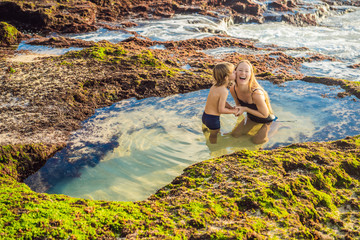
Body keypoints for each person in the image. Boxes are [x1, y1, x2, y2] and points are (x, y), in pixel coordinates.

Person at [229, 60, 276, 144]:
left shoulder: (256, 93)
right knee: (235, 135)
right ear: (235, 72)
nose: (243, 73)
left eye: (247, 71)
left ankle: (277, 126)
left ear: (251, 75)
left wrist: (246, 109)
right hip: (251, 118)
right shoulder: (233, 89)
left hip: (266, 120)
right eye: (240, 70)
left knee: (257, 141)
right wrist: (235, 111)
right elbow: (239, 106)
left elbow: (264, 115)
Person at [202, 62, 241, 144]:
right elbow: (221, 110)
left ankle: (206, 135)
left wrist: (230, 107)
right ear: (227, 77)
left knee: (208, 131)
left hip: (205, 116)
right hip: (213, 120)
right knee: (214, 136)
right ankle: (214, 149)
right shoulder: (224, 91)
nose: (236, 72)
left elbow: (220, 101)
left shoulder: (214, 86)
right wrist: (233, 111)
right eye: (233, 72)